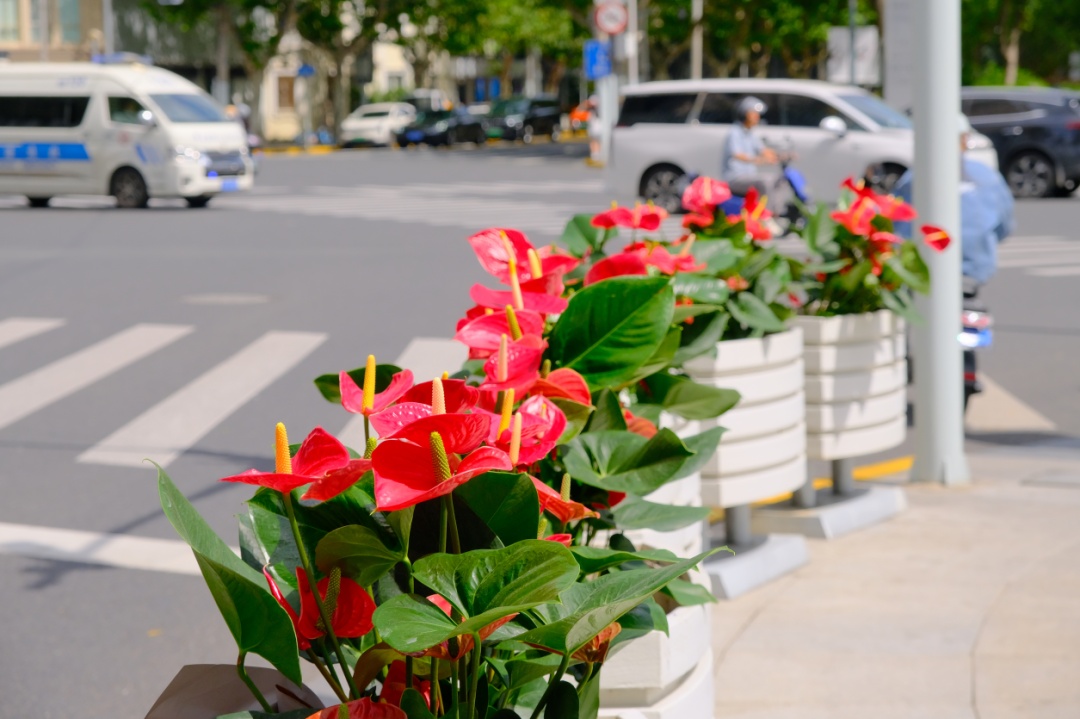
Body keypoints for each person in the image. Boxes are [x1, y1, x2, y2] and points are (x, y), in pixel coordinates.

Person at [892, 115, 1014, 285]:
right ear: (964, 140)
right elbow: (1004, 224)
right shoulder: (986, 175)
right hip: (973, 269)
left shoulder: (913, 178)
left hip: (922, 270)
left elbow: (897, 226)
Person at [721, 96, 779, 197]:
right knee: (766, 182)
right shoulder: (734, 132)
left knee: (779, 181)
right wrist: (757, 159)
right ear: (744, 114)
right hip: (735, 177)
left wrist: (781, 156)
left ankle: (776, 207)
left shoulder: (750, 134)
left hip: (749, 176)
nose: (757, 117)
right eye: (754, 113)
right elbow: (738, 155)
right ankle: (767, 207)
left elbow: (763, 150)